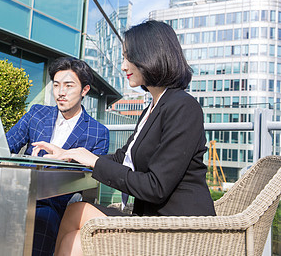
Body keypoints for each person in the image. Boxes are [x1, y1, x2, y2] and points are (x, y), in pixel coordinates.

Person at [32, 20, 216, 255]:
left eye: (128, 57)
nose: (123, 65)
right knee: (74, 211)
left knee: (78, 241)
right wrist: (72, 155)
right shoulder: (154, 107)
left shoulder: (183, 107)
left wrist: (94, 162)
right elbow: (123, 157)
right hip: (150, 217)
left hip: (177, 228)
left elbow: (156, 187)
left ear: (150, 55)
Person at [0, 57, 109, 256]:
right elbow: (6, 145)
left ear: (84, 90)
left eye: (69, 86)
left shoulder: (98, 132)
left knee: (41, 224)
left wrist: (64, 158)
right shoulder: (37, 114)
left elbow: (90, 179)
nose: (61, 92)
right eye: (56, 85)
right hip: (9, 197)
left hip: (50, 207)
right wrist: (0, 155)